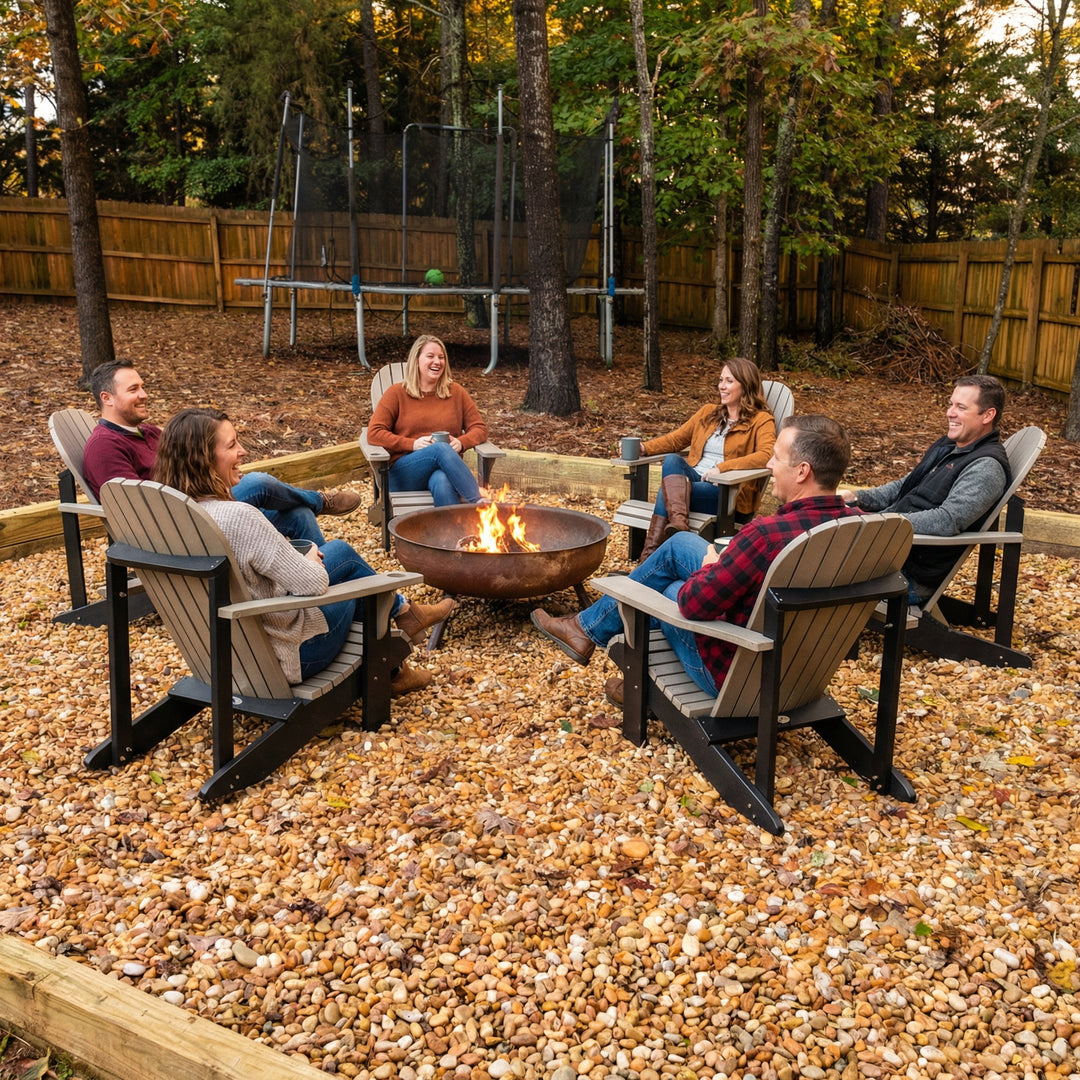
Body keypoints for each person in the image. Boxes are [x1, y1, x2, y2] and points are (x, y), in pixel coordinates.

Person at [532, 415, 860, 704]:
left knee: (666, 585)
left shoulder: (766, 536)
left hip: (738, 674)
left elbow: (693, 604)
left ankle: (627, 676)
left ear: (802, 471)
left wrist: (710, 569)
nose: (769, 466)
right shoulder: (859, 528)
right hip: (803, 670)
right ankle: (589, 634)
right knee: (681, 545)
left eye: (777, 458)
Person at [153, 408, 455, 695]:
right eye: (232, 445)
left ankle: (403, 621)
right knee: (355, 579)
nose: (243, 451)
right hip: (287, 656)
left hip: (218, 655)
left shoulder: (167, 519)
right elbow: (312, 584)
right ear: (202, 460)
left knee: (339, 550)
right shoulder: (237, 517)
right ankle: (392, 667)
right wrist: (308, 558)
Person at [83, 361, 360, 546]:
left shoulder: (150, 432)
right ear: (106, 398)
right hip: (176, 528)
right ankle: (321, 501)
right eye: (134, 389)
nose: (144, 394)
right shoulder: (105, 447)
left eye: (143, 386)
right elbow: (136, 506)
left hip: (200, 506)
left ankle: (326, 582)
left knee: (298, 515)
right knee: (257, 483)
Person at [838, 374, 1010, 606]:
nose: (950, 412)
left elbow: (947, 520)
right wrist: (857, 497)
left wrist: (879, 522)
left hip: (906, 572)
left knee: (809, 566)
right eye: (951, 404)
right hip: (886, 550)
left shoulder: (986, 467)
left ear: (987, 415)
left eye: (961, 407)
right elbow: (905, 485)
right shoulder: (951, 446)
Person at [631, 357, 776, 560]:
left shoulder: (761, 420)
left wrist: (723, 469)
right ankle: (678, 526)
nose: (722, 387)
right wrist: (645, 447)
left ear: (746, 385)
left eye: (729, 381)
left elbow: (767, 455)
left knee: (670, 488)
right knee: (673, 461)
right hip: (693, 481)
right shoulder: (708, 413)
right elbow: (676, 439)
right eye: (720, 380)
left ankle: (649, 555)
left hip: (727, 492)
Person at [366, 335, 489, 506]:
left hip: (442, 471)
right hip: (403, 475)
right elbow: (374, 433)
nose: (437, 362)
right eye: (430, 356)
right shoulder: (397, 393)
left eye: (441, 357)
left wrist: (462, 443)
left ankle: (451, 533)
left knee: (442, 481)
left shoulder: (456, 392)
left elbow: (479, 428)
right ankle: (481, 503)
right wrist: (412, 444)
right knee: (440, 449)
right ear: (416, 360)